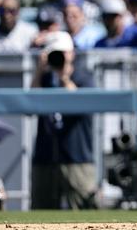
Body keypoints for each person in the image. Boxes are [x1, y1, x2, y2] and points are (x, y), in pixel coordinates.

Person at [30, 32, 98, 210]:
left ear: (71, 54)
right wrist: (39, 70)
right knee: (41, 210)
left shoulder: (84, 77)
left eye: (62, 53)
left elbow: (80, 104)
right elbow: (30, 104)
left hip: (77, 157)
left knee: (84, 210)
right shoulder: (45, 79)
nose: (59, 57)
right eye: (54, 53)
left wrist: (64, 77)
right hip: (45, 157)